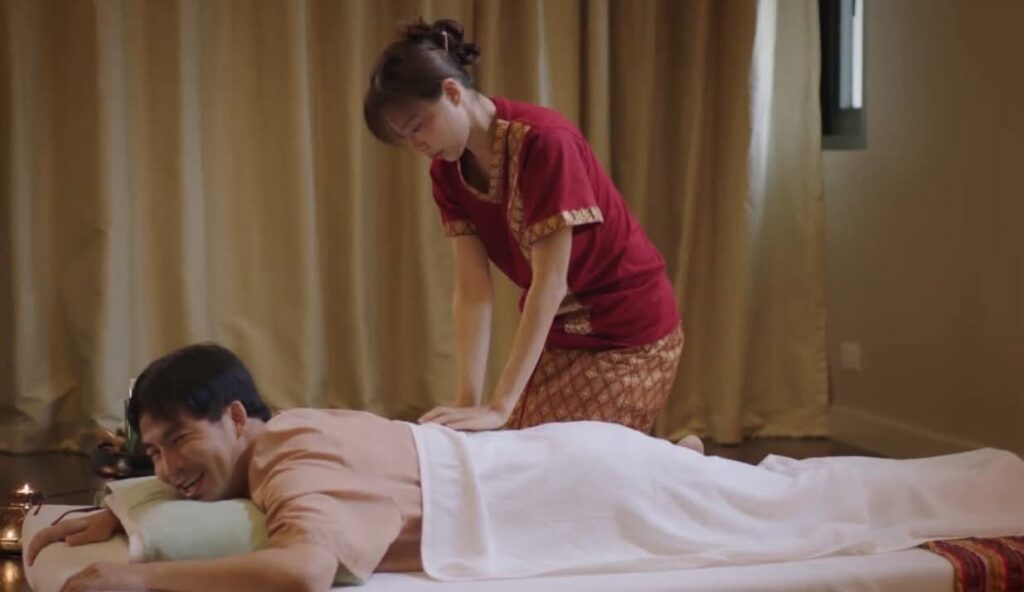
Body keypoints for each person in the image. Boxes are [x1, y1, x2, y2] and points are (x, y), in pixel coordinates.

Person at [27, 343, 1024, 591]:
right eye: (154, 449)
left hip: (588, 489)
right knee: (783, 493)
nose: (168, 463)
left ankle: (998, 481)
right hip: (569, 464)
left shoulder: (294, 459)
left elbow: (303, 568)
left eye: (178, 440)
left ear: (238, 417)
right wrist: (126, 512)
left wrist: (143, 580)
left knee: (800, 508)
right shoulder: (286, 436)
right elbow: (202, 499)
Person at [364, 18, 683, 433]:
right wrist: (468, 401)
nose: (417, 145)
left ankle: (684, 460)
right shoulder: (446, 172)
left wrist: (500, 406)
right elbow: (473, 291)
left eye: (417, 127)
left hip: (630, 333)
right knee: (521, 457)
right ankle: (677, 456)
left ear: (452, 92)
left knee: (569, 461)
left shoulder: (545, 142)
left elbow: (550, 284)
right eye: (405, 139)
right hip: (563, 336)